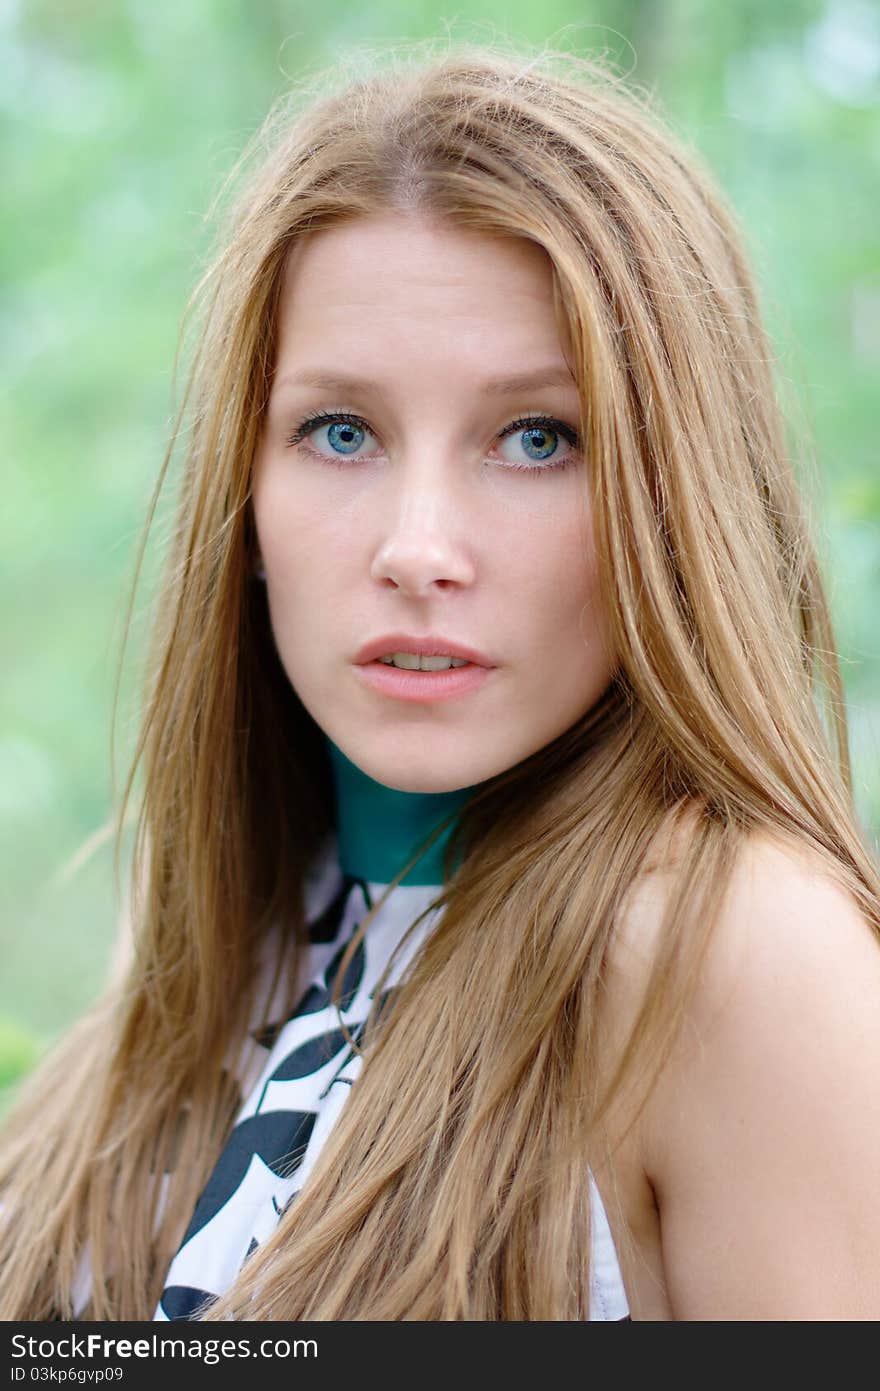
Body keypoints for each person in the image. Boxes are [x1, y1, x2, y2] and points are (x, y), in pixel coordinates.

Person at [1, 41, 879, 1323]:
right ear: (245, 497)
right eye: (340, 432)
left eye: (537, 438)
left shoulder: (731, 949)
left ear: (671, 497)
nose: (418, 548)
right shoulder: (211, 915)